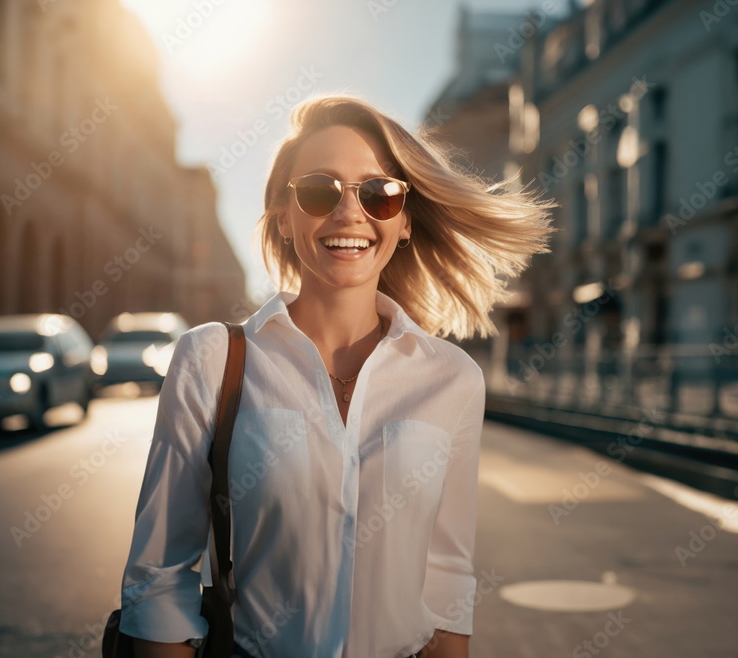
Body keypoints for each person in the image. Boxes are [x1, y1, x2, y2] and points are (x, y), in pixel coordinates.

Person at [118, 95, 553, 658]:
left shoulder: (454, 381)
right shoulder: (210, 360)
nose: (351, 214)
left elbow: (446, 579)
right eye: (320, 191)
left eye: (379, 193)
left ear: (404, 222)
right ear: (283, 215)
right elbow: (159, 577)